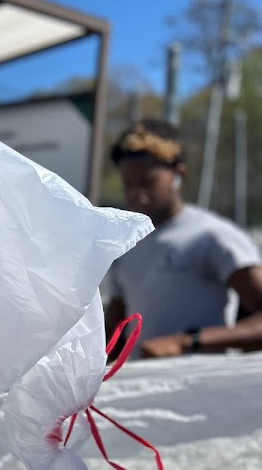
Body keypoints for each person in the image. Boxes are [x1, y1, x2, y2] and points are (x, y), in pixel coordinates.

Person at [105, 119, 262, 358]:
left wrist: (187, 341)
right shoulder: (127, 243)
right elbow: (113, 333)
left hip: (199, 388)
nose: (137, 193)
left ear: (178, 174)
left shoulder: (211, 235)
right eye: (128, 184)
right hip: (141, 387)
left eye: (148, 182)